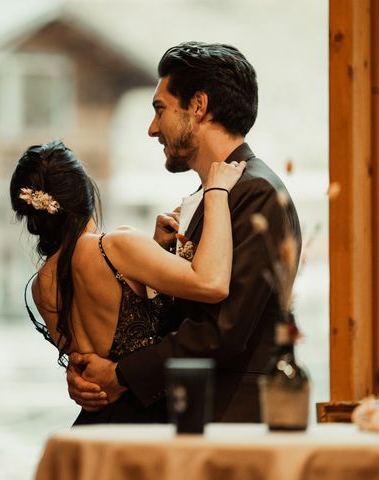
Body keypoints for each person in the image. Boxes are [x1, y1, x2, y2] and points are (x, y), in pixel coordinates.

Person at [67, 41, 302, 423]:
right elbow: (177, 316)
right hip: (189, 410)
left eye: (160, 109)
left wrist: (122, 376)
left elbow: (223, 330)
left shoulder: (256, 193)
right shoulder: (210, 194)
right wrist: (93, 374)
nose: (152, 128)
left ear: (198, 106)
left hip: (228, 418)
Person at [10, 139, 245, 424]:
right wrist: (217, 192)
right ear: (86, 192)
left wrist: (155, 248)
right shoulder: (115, 246)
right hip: (143, 421)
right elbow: (212, 283)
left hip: (92, 425)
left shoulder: (41, 285)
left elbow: (89, 356)